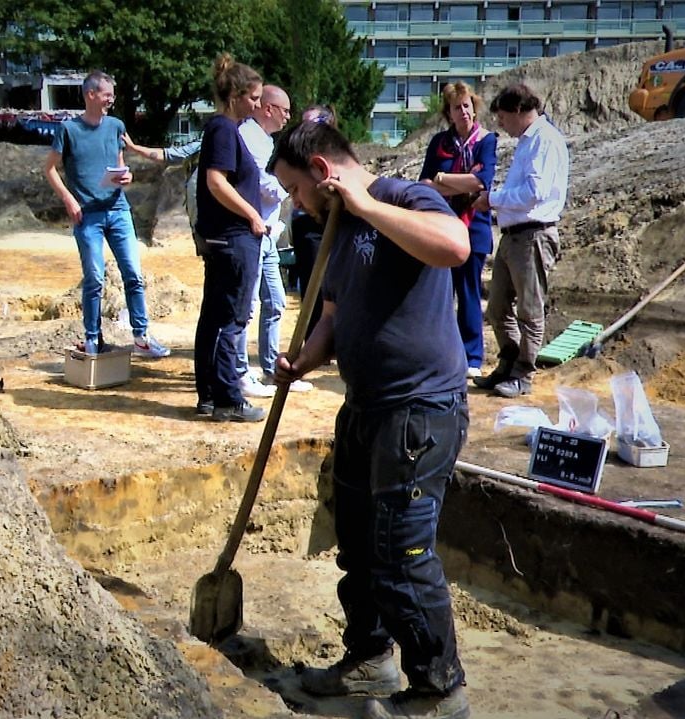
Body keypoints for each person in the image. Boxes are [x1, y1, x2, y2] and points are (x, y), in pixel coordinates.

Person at [269, 121, 473, 719]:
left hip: (418, 411)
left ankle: (439, 692)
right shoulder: (335, 228)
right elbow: (333, 316)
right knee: (359, 547)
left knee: (401, 553)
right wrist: (306, 358)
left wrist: (365, 206)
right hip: (364, 407)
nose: (295, 203)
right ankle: (369, 658)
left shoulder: (405, 197)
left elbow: (454, 247)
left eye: (295, 189)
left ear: (322, 171)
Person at [43, 70, 170, 358]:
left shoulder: (115, 126)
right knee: (94, 279)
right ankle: (92, 339)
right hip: (87, 216)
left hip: (118, 210)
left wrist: (126, 177)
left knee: (133, 275)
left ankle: (141, 337)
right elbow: (49, 168)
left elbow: (119, 164)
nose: (111, 100)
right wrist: (69, 199)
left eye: (112, 95)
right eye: (107, 95)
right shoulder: (68, 130)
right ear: (91, 95)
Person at [471, 84, 569, 399]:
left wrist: (492, 198)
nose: (501, 124)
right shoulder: (528, 142)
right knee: (497, 307)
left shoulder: (544, 140)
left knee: (529, 309)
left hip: (533, 235)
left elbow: (534, 193)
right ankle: (508, 363)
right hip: (514, 235)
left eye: (502, 117)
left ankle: (523, 374)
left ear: (517, 110)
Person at [193, 54, 268, 422]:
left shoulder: (222, 129)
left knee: (213, 317)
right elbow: (216, 181)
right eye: (253, 98)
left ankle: (209, 396)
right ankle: (227, 399)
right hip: (234, 239)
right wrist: (253, 215)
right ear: (235, 96)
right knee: (231, 318)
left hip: (225, 239)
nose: (257, 105)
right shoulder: (224, 130)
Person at [236, 85, 313, 398]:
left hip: (268, 234)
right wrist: (295, 187)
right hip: (252, 232)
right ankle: (239, 372)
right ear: (269, 109)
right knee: (248, 306)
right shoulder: (248, 137)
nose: (288, 117)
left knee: (276, 301)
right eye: (285, 111)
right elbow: (265, 185)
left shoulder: (266, 141)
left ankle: (270, 368)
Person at [419, 82, 498, 380]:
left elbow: (482, 182)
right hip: (442, 226)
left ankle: (471, 356)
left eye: (466, 105)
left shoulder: (486, 141)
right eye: (456, 107)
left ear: (474, 108)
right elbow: (425, 184)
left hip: (474, 227)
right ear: (448, 113)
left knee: (469, 293)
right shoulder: (439, 142)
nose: (463, 111)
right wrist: (459, 182)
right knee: (440, 295)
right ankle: (440, 355)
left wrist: (443, 179)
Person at [288, 105, 338, 339]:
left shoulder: (337, 155)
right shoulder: (298, 157)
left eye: (310, 125)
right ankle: (312, 342)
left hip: (333, 223)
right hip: (307, 224)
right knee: (313, 289)